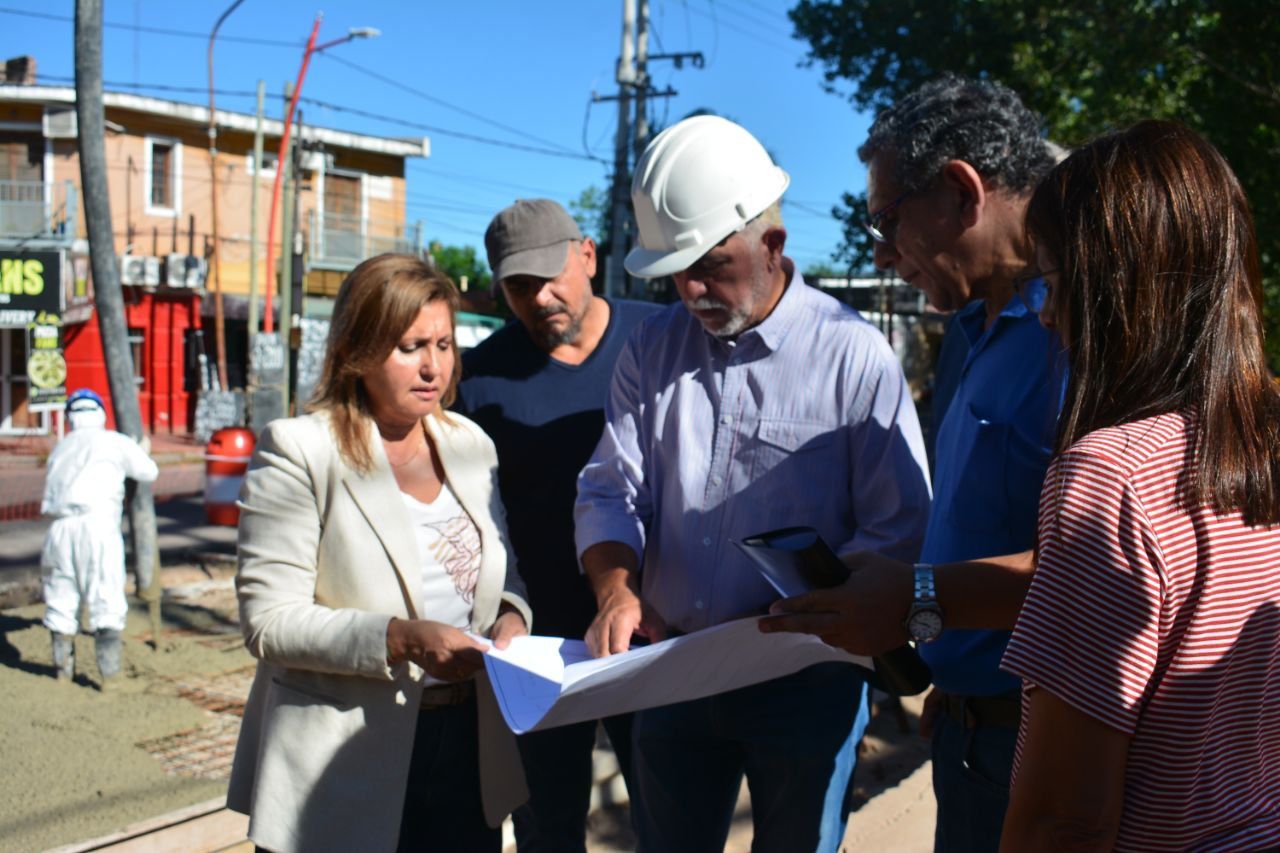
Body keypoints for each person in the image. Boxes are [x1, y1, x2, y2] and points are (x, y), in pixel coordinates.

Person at [574, 114, 932, 853]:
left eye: (709, 263)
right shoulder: (653, 349)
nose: (690, 287)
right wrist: (616, 588)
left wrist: (824, 608)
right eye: (674, 270)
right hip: (672, 668)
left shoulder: (854, 359)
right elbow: (611, 486)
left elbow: (899, 530)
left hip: (806, 679)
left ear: (772, 243)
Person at [762, 75, 1066, 852]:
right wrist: (949, 663)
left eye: (886, 222)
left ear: (963, 192)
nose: (883, 254)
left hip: (1051, 746)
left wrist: (915, 600)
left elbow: (1109, 572)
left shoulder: (1083, 332)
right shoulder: (971, 328)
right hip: (973, 730)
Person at [998, 121, 1280, 851]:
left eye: (1054, 283)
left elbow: (1065, 817)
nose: (1048, 312)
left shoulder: (1111, 476)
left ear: (1118, 292)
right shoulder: (1268, 437)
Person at [226, 254, 533, 853]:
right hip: (339, 767)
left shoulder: (470, 444)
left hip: (466, 749)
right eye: (410, 345)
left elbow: (504, 572)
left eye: (444, 345)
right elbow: (269, 622)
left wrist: (513, 617)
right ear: (356, 350)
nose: (433, 367)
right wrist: (400, 637)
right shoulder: (299, 451)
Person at [455, 198, 659, 852]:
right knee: (547, 826)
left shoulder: (660, 340)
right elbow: (473, 514)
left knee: (671, 814)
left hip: (654, 633)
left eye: (550, 276)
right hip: (537, 646)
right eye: (518, 285)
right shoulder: (480, 377)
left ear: (589, 256)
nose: (539, 296)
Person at [40, 388, 158, 689]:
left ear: (70, 417)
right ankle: (110, 679)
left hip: (59, 531)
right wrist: (140, 448)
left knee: (61, 598)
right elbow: (148, 471)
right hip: (98, 526)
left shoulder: (61, 447)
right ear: (100, 413)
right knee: (106, 597)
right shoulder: (113, 442)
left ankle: (62, 673)